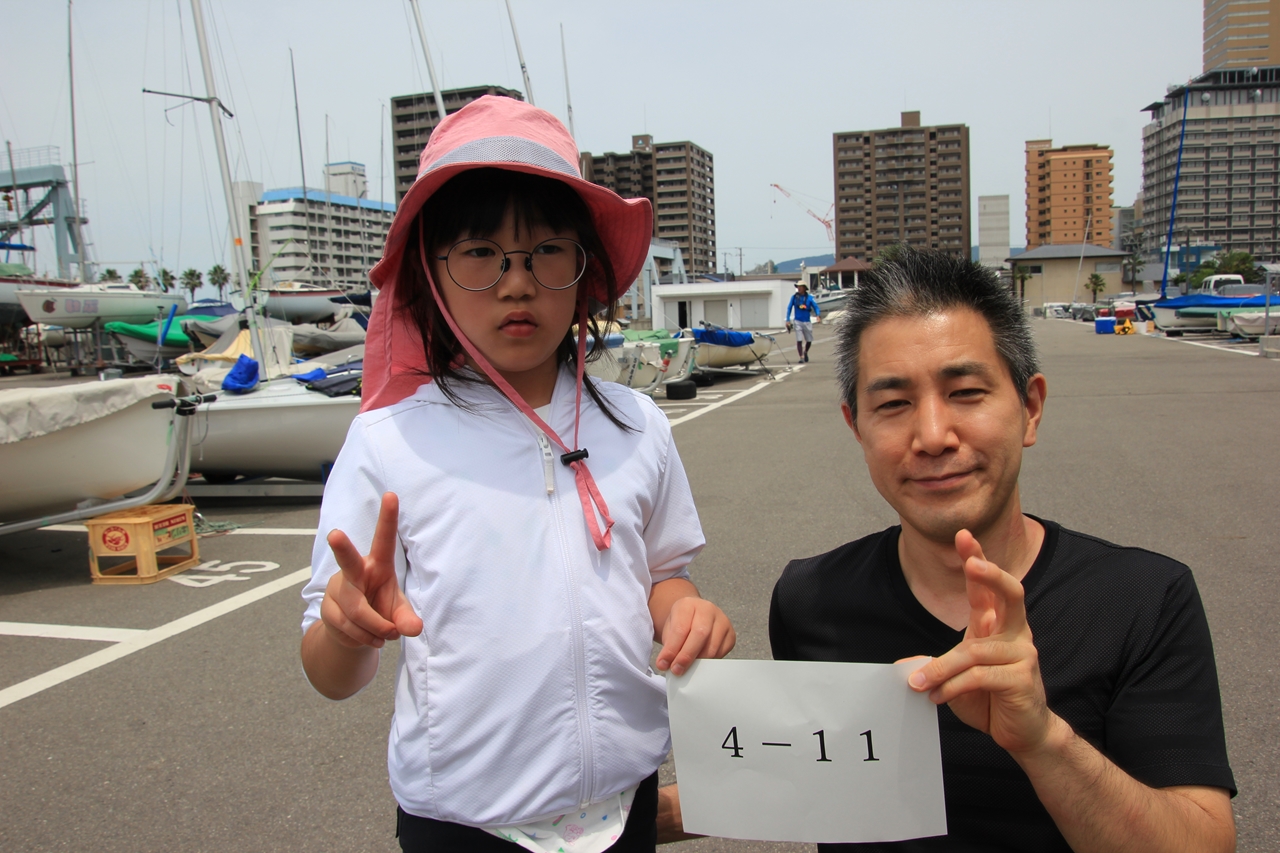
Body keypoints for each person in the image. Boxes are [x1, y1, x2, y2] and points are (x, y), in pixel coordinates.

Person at [660, 246, 1236, 852]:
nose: (933, 436)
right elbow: (810, 771)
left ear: (1030, 408)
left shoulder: (1143, 599)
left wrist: (1043, 739)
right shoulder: (811, 599)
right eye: (893, 404)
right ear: (856, 427)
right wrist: (608, 819)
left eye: (965, 392)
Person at [300, 96, 735, 853]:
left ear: (585, 269)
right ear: (429, 274)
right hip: (460, 824)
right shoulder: (388, 441)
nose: (516, 283)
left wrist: (685, 611)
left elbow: (665, 574)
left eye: (547, 251)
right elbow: (331, 675)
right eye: (480, 252)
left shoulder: (637, 425)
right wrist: (346, 628)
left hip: (625, 805)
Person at [786, 282, 821, 362]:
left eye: (800, 287)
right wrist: (787, 320)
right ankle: (801, 357)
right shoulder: (794, 297)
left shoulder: (810, 298)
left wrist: (818, 315)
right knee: (799, 339)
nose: (799, 288)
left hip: (807, 321)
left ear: (804, 288)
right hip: (797, 321)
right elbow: (789, 308)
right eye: (798, 287)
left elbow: (816, 307)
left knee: (809, 340)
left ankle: (805, 352)